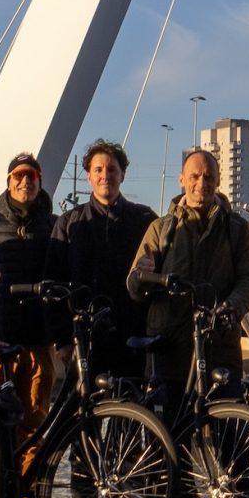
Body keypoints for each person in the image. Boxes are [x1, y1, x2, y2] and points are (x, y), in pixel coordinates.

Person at [126, 148, 249, 402]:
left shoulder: (237, 229)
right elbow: (134, 287)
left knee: (228, 434)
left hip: (219, 349)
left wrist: (230, 308)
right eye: (195, 176)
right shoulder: (161, 229)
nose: (202, 183)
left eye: (209, 177)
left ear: (219, 180)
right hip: (169, 353)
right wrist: (142, 277)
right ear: (182, 179)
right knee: (171, 437)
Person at [0, 151, 63, 498]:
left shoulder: (55, 226)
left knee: (33, 428)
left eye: (31, 176)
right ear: (8, 182)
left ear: (40, 182)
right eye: (18, 176)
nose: (25, 182)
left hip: (39, 340)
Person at [57, 137, 157, 386]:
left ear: (122, 175)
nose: (105, 176)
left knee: (131, 416)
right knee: (79, 417)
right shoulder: (70, 223)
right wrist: (62, 340)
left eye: (112, 169)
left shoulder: (145, 219)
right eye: (98, 170)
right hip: (85, 338)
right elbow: (55, 282)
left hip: (131, 336)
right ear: (89, 176)